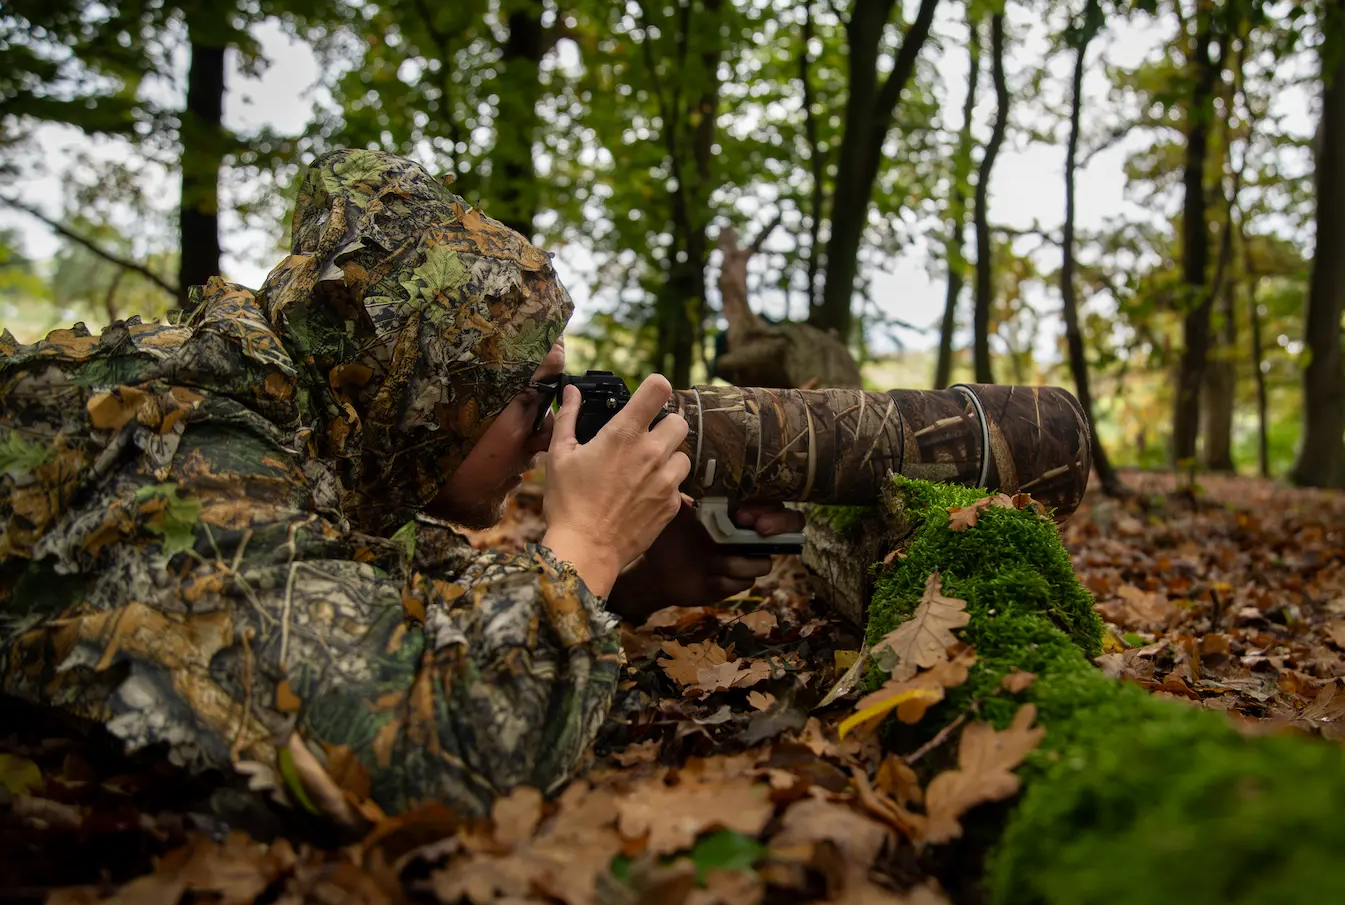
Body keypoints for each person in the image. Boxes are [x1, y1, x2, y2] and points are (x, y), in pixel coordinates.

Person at [0, 149, 801, 820]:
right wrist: (586, 545)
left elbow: (381, 591)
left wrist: (621, 579)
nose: (550, 423)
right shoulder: (193, 453)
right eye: (526, 393)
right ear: (422, 401)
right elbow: (435, 760)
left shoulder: (313, 441)